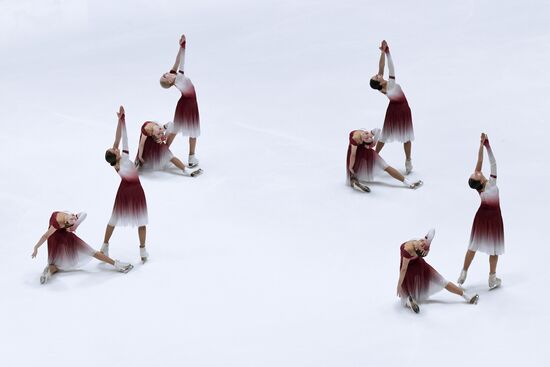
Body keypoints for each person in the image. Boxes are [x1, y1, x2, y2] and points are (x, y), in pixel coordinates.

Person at [102, 106, 149, 263]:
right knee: (141, 220)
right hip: (135, 190)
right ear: (115, 155)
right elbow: (125, 137)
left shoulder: (116, 163)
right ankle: (142, 251)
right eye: (113, 149)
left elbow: (117, 138)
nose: (115, 147)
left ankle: (105, 246)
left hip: (124, 190)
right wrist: (124, 121)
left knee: (113, 219)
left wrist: (120, 119)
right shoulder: (126, 159)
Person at [31, 211, 133, 284]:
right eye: (72, 217)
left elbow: (83, 214)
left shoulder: (63, 220)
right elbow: (45, 236)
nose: (73, 217)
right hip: (55, 238)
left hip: (60, 236)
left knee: (91, 252)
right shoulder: (61, 220)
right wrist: (36, 248)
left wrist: (74, 219)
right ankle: (48, 271)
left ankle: (118, 265)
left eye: (74, 218)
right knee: (58, 264)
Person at [457, 133, 504, 289]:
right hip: (494, 217)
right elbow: (493, 163)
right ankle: (492, 277)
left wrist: (481, 144)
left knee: (474, 245)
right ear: (481, 180)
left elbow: (479, 161)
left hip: (482, 216)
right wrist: (488, 146)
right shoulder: (491, 183)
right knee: (494, 247)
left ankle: (464, 271)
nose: (477, 170)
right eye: (476, 173)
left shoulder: (480, 186)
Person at [397, 229, 479, 313]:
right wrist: (399, 285)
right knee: (442, 282)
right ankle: (467, 297)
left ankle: (409, 300)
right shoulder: (408, 249)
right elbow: (403, 269)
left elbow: (431, 232)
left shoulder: (420, 242)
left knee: (406, 294)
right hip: (414, 269)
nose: (422, 243)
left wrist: (400, 285)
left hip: (416, 268)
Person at [370, 40, 414, 174]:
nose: (378, 74)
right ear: (379, 82)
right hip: (402, 109)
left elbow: (381, 67)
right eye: (377, 76)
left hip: (393, 109)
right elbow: (391, 68)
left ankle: (407, 161)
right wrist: (388, 54)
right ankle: (407, 161)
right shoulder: (390, 85)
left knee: (388, 136)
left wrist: (382, 52)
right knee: (404, 137)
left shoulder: (381, 86)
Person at [159, 34, 201, 168]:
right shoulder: (179, 78)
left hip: (184, 103)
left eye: (165, 74)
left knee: (176, 129)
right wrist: (184, 47)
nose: (166, 73)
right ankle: (191, 157)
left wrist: (181, 46)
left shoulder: (174, 74)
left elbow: (177, 61)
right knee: (192, 130)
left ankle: (163, 153)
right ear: (170, 81)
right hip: (190, 104)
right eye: (165, 76)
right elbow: (182, 62)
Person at [347, 128, 422, 192]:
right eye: (366, 138)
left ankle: (408, 183)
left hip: (366, 152)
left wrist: (376, 133)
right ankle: (354, 181)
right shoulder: (355, 139)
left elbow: (373, 144)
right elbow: (353, 155)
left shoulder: (366, 135)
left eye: (369, 136)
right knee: (353, 169)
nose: (368, 136)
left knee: (386, 167)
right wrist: (350, 167)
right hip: (356, 153)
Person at [136, 121, 201, 176]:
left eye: (161, 130)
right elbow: (141, 144)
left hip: (158, 142)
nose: (161, 132)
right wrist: (140, 156)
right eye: (159, 134)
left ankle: (185, 170)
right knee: (168, 156)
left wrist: (163, 135)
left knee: (169, 156)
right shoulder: (145, 130)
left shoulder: (158, 127)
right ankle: (185, 170)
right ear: (152, 134)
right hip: (151, 144)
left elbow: (168, 125)